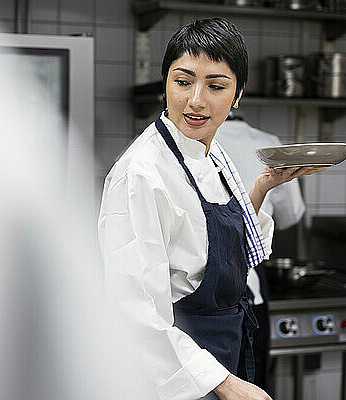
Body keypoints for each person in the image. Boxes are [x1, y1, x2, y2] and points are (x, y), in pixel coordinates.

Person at [98, 18, 323, 400]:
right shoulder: (141, 174)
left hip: (221, 354)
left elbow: (217, 251)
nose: (196, 100)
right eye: (183, 81)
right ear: (165, 82)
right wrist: (224, 384)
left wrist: (263, 186)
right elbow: (134, 314)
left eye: (216, 86)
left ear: (237, 95)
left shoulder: (211, 154)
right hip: (170, 375)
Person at [218, 115, 307, 391]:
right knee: (250, 384)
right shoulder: (269, 145)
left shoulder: (190, 143)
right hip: (246, 283)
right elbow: (292, 215)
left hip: (204, 293)